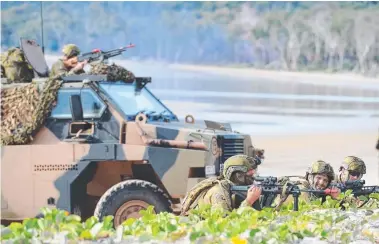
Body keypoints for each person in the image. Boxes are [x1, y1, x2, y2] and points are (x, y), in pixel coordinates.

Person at [180, 154, 262, 216]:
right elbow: (226, 223)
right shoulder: (218, 192)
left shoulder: (232, 188)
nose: (253, 174)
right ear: (238, 175)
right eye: (249, 172)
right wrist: (249, 201)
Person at [271, 160, 340, 210]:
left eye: (325, 180)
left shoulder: (325, 194)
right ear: (310, 178)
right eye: (318, 178)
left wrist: (337, 199)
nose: (321, 182)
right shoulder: (300, 191)